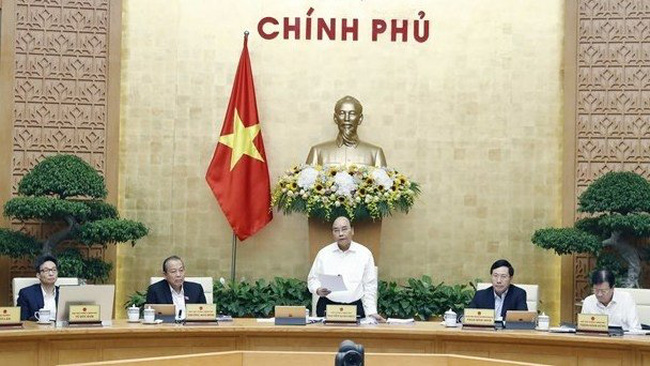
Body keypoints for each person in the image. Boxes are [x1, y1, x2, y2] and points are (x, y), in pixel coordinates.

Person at [307, 216, 385, 322]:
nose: (341, 234)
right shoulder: (324, 253)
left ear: (352, 230)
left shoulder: (364, 253)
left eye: (344, 229)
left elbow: (369, 285)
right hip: (327, 306)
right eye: (336, 230)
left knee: (354, 339)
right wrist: (317, 289)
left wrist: (371, 312)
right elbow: (312, 279)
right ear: (332, 233)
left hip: (354, 307)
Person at [306, 96, 387, 167]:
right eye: (342, 113)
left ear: (360, 119)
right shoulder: (317, 151)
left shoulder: (375, 153)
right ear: (335, 118)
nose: (347, 118)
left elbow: (383, 183)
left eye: (352, 113)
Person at [17, 254, 59, 321]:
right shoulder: (26, 294)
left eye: (54, 270)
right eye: (46, 270)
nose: (51, 274)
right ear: (38, 275)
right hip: (36, 330)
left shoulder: (64, 293)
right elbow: (22, 320)